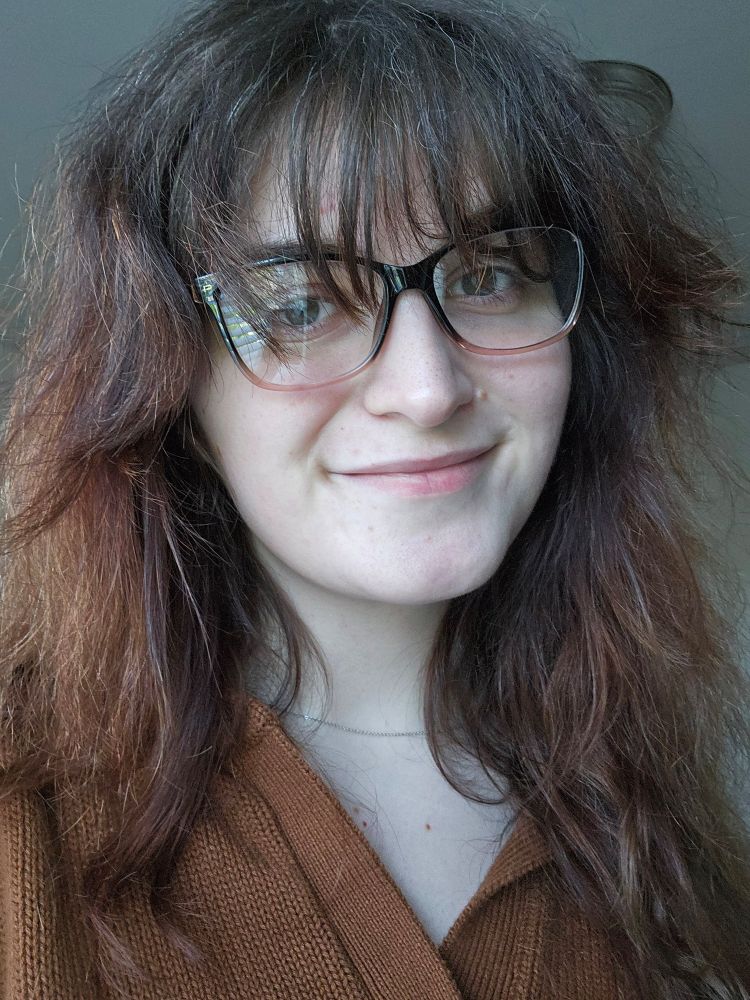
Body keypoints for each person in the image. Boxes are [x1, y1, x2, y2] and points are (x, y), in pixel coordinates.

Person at [0, 0, 749, 997]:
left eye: (489, 275)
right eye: (303, 303)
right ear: (165, 380)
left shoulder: (665, 823)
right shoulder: (24, 816)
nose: (428, 389)